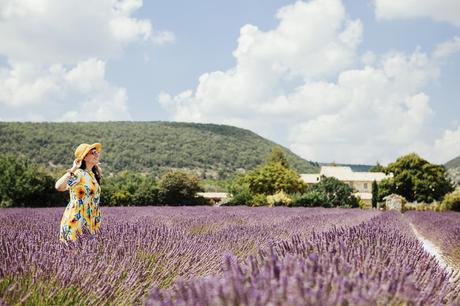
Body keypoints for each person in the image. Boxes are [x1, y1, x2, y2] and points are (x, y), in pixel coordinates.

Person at [55, 143, 103, 243]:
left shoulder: (93, 176)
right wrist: (73, 169)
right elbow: (59, 186)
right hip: (76, 219)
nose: (97, 155)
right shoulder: (79, 173)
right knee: (72, 254)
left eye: (97, 152)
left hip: (91, 220)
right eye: (93, 153)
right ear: (85, 157)